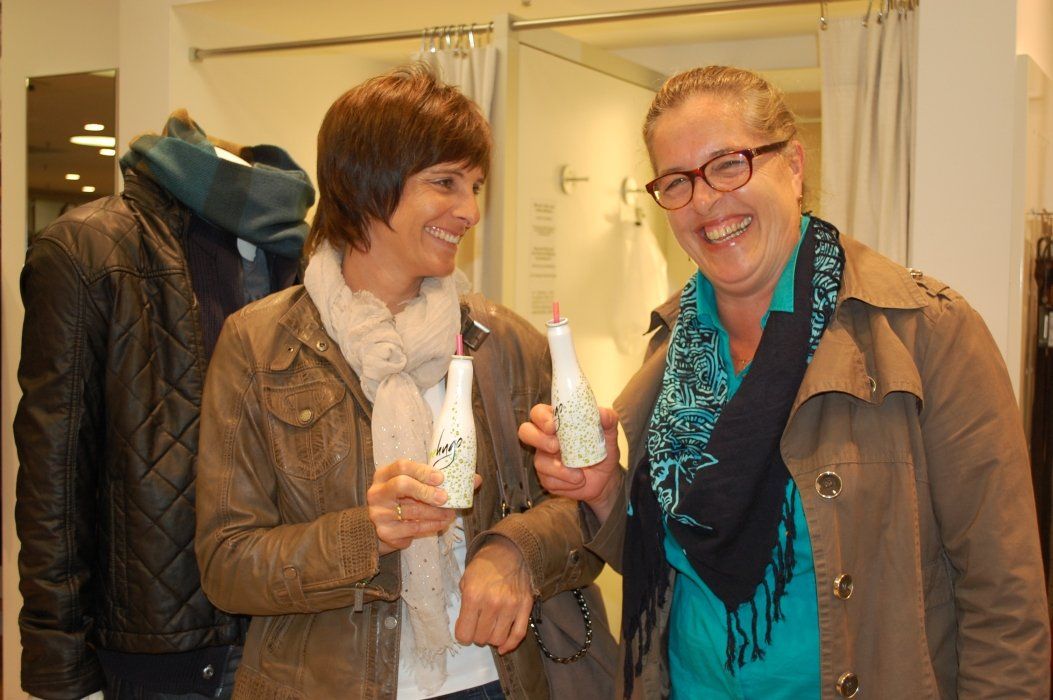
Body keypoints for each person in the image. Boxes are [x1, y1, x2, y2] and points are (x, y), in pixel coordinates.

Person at [519, 65, 1052, 699]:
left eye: (729, 165)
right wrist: (607, 490)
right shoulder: (675, 351)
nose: (705, 201)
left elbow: (1004, 602)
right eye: (678, 182)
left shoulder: (926, 334)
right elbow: (667, 557)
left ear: (794, 166)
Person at [194, 64, 609, 699]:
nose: (470, 211)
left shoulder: (504, 342)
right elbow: (227, 564)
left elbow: (588, 509)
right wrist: (366, 534)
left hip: (496, 680)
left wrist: (515, 551)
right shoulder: (259, 344)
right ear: (365, 183)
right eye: (445, 182)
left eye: (475, 185)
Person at [14, 111, 314, 699]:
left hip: (299, 633)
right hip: (164, 653)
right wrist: (62, 667)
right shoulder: (88, 248)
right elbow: (54, 477)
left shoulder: (306, 256)